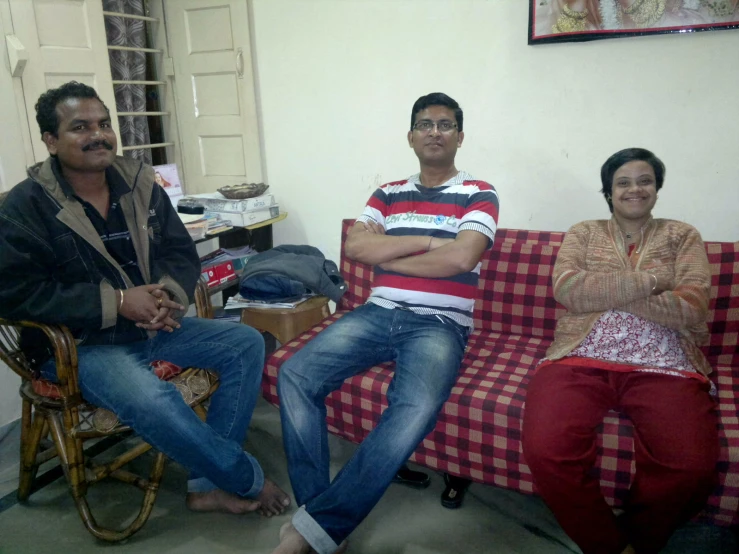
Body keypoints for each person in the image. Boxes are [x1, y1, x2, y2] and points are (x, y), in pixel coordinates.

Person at [0, 81, 290, 518]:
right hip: (77, 346)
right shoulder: (26, 206)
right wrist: (118, 301)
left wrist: (168, 297)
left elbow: (177, 250)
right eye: (80, 127)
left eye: (103, 124)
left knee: (245, 344)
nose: (98, 135)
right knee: (155, 400)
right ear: (51, 141)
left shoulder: (138, 182)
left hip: (148, 325)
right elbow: (18, 295)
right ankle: (243, 478)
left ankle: (205, 485)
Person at [272, 93, 500, 554]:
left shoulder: (480, 192)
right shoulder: (388, 192)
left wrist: (394, 257)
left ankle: (311, 530)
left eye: (445, 124)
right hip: (376, 314)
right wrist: (430, 243)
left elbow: (463, 256)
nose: (434, 131)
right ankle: (319, 520)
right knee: (295, 373)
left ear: (459, 136)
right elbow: (357, 248)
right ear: (411, 136)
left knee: (415, 405)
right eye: (425, 124)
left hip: (440, 323)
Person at [522, 148, 718, 554]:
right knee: (546, 451)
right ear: (609, 192)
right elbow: (568, 290)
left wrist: (605, 290)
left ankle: (638, 537)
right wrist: (654, 279)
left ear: (657, 189)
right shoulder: (583, 232)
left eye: (644, 180)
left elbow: (692, 307)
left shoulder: (683, 235)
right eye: (622, 182)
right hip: (580, 355)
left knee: (691, 466)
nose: (634, 189)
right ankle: (608, 546)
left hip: (664, 362)